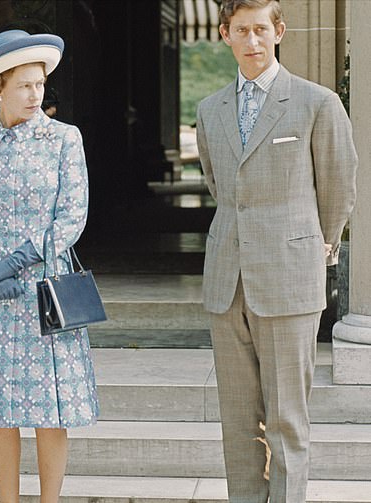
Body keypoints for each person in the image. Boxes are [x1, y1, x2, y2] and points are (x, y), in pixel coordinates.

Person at [196, 1, 357, 501]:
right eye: (241, 30)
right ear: (224, 35)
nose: (252, 40)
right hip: (227, 281)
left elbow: (337, 188)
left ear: (279, 32)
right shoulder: (209, 109)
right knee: (239, 422)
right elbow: (219, 186)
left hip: (289, 277)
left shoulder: (316, 103)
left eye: (261, 29)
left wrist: (316, 247)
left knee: (287, 419)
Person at [0, 30, 99, 503]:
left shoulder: (63, 139)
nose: (37, 95)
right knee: (0, 411)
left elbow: (72, 214)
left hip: (43, 292)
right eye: (25, 86)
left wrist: (17, 260)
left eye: (40, 84)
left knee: (50, 412)